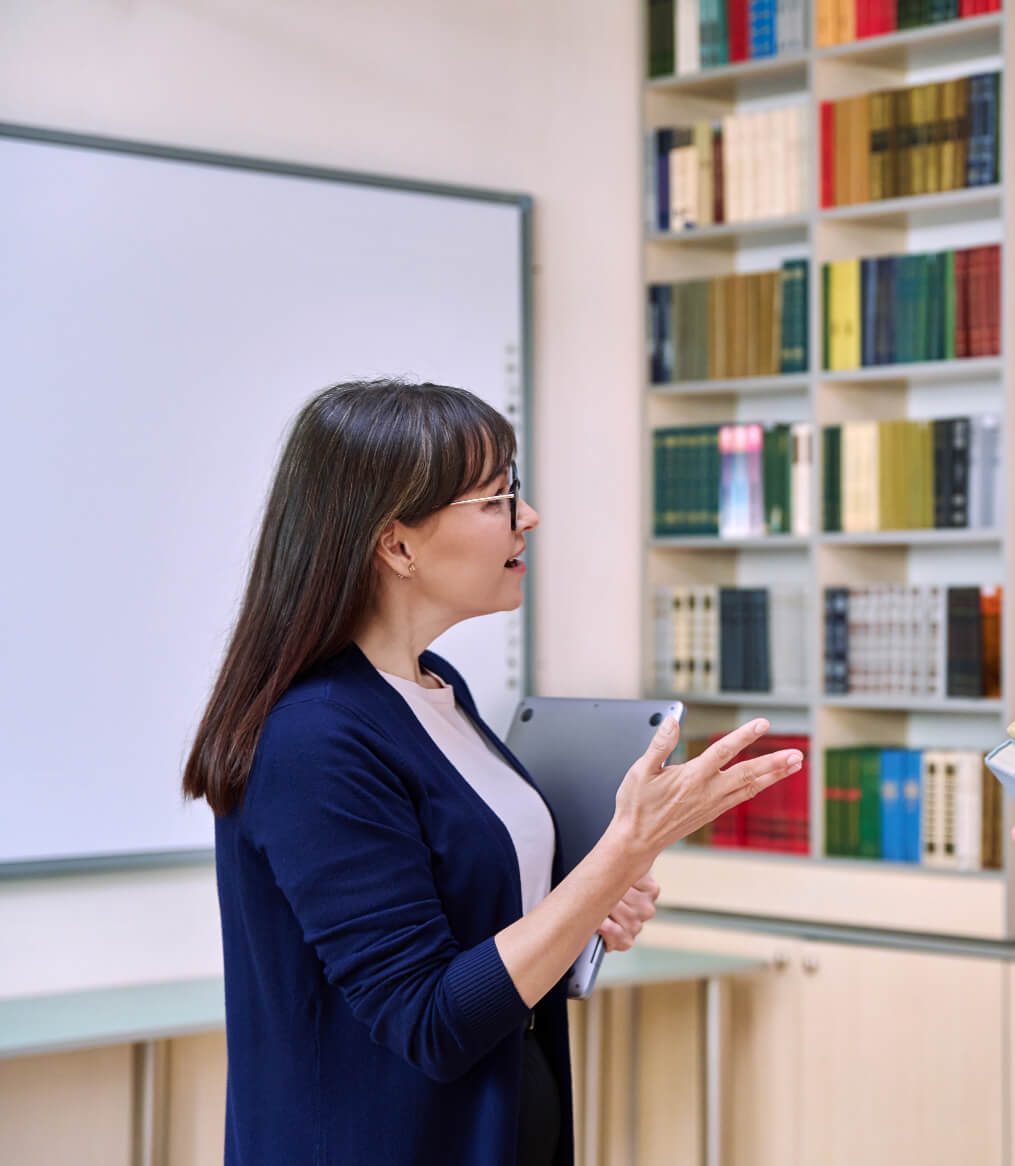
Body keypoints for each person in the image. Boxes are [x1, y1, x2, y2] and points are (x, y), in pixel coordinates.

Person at [182, 379, 802, 1166]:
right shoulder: (314, 740)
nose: (529, 517)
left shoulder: (436, 688)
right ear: (397, 544)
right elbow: (430, 1019)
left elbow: (482, 922)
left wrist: (592, 897)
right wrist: (621, 851)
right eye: (498, 497)